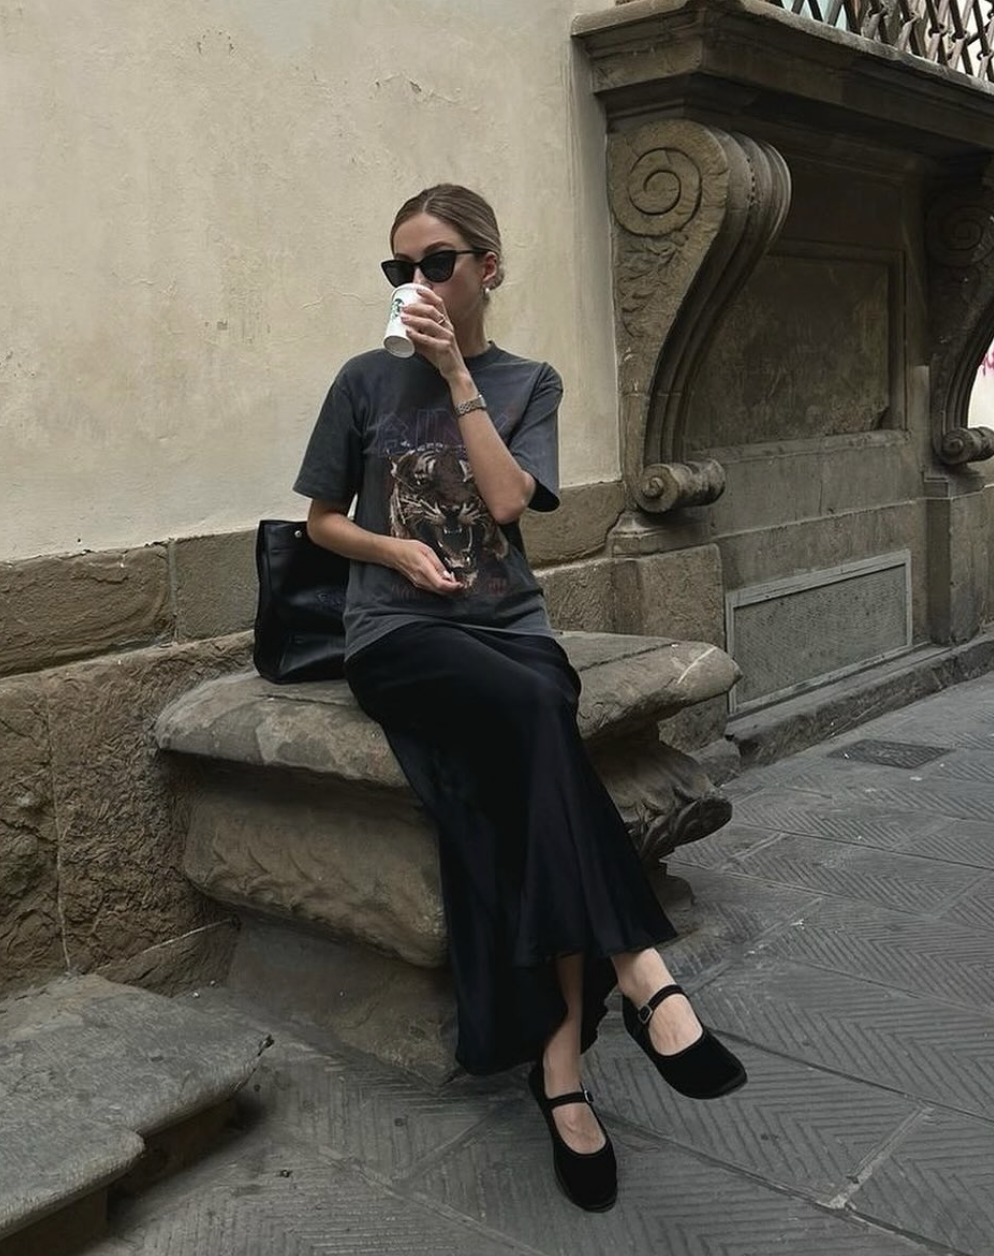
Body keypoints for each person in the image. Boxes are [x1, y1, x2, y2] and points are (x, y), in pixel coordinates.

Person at [293, 184, 746, 1212]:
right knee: (540, 729)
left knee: (529, 752)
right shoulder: (362, 379)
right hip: (396, 636)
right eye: (399, 267)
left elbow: (505, 503)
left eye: (438, 261)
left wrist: (455, 373)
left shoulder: (525, 381)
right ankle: (641, 977)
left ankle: (561, 1075)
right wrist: (391, 545)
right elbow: (320, 520)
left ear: (489, 268)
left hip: (507, 629)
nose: (419, 283)